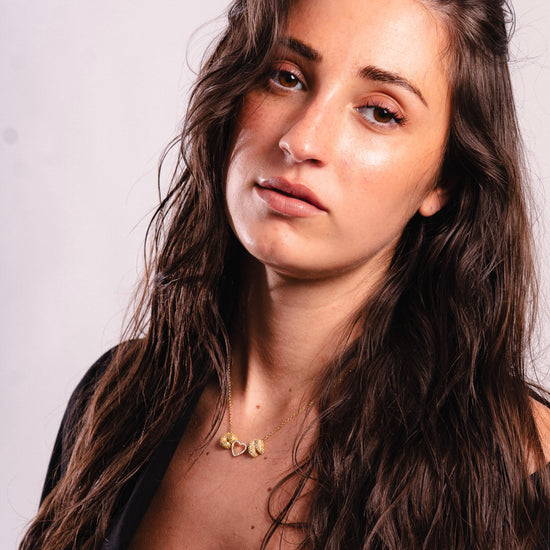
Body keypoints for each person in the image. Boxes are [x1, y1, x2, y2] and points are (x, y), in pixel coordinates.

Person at [19, 0, 550, 547]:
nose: (302, 140)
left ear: (445, 179)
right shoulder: (115, 402)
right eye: (286, 77)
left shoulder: (520, 466)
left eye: (380, 112)